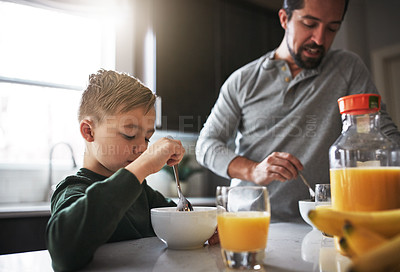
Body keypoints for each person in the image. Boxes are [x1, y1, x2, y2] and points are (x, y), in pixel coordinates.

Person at [196, 0, 400, 222]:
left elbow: (383, 134)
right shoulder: (242, 81)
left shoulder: (348, 68)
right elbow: (206, 145)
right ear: (284, 19)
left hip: (321, 222)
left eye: (332, 28)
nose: (320, 39)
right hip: (250, 220)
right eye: (310, 24)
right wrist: (253, 170)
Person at [46, 70, 217, 272]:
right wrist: (143, 166)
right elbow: (64, 251)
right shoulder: (72, 189)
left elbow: (182, 221)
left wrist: (211, 228)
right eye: (129, 134)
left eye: (147, 138)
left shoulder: (142, 194)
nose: (143, 148)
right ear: (89, 131)